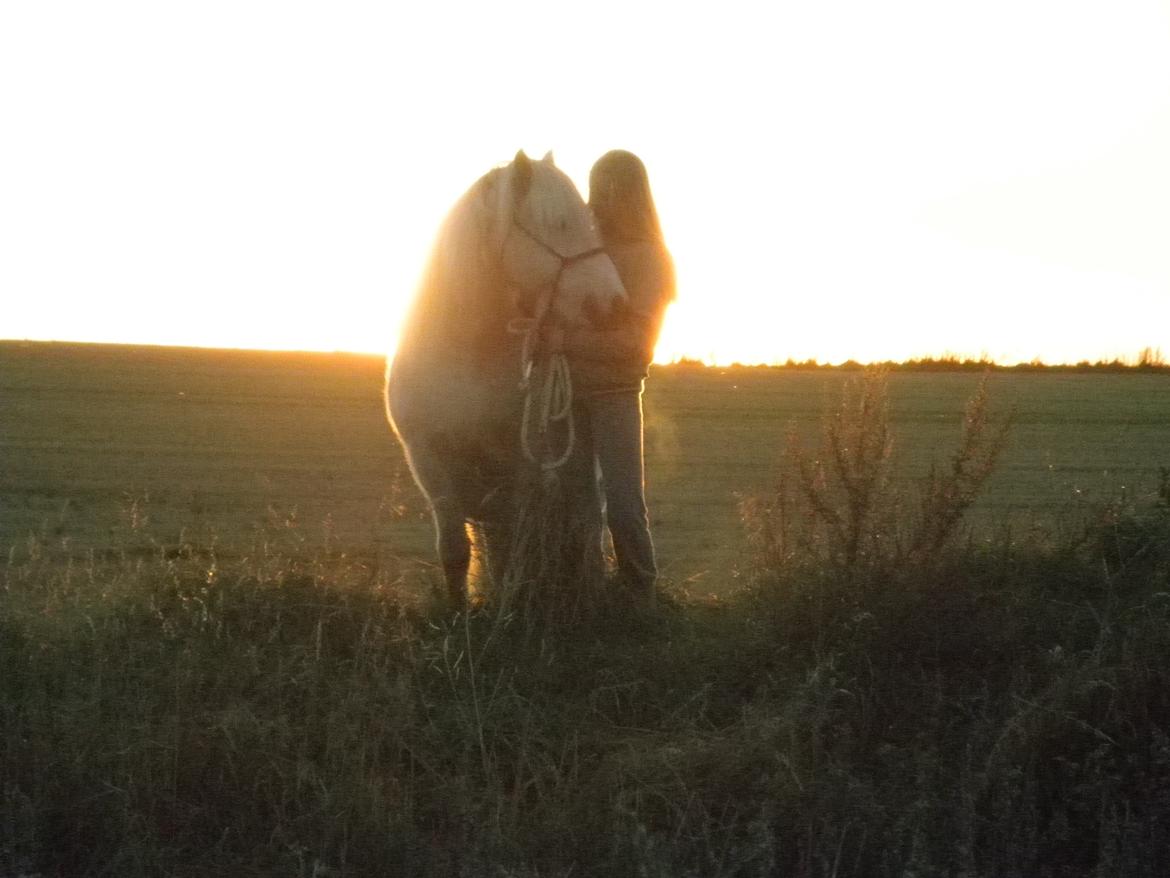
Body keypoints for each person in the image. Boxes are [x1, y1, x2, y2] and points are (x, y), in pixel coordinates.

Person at [551, 149, 676, 604]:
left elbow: (636, 346)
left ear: (632, 193)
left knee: (623, 507)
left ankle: (640, 597)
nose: (599, 198)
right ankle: (586, 595)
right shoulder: (585, 251)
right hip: (568, 395)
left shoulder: (650, 258)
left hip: (616, 394)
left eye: (611, 187)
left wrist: (564, 342)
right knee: (577, 507)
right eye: (596, 185)